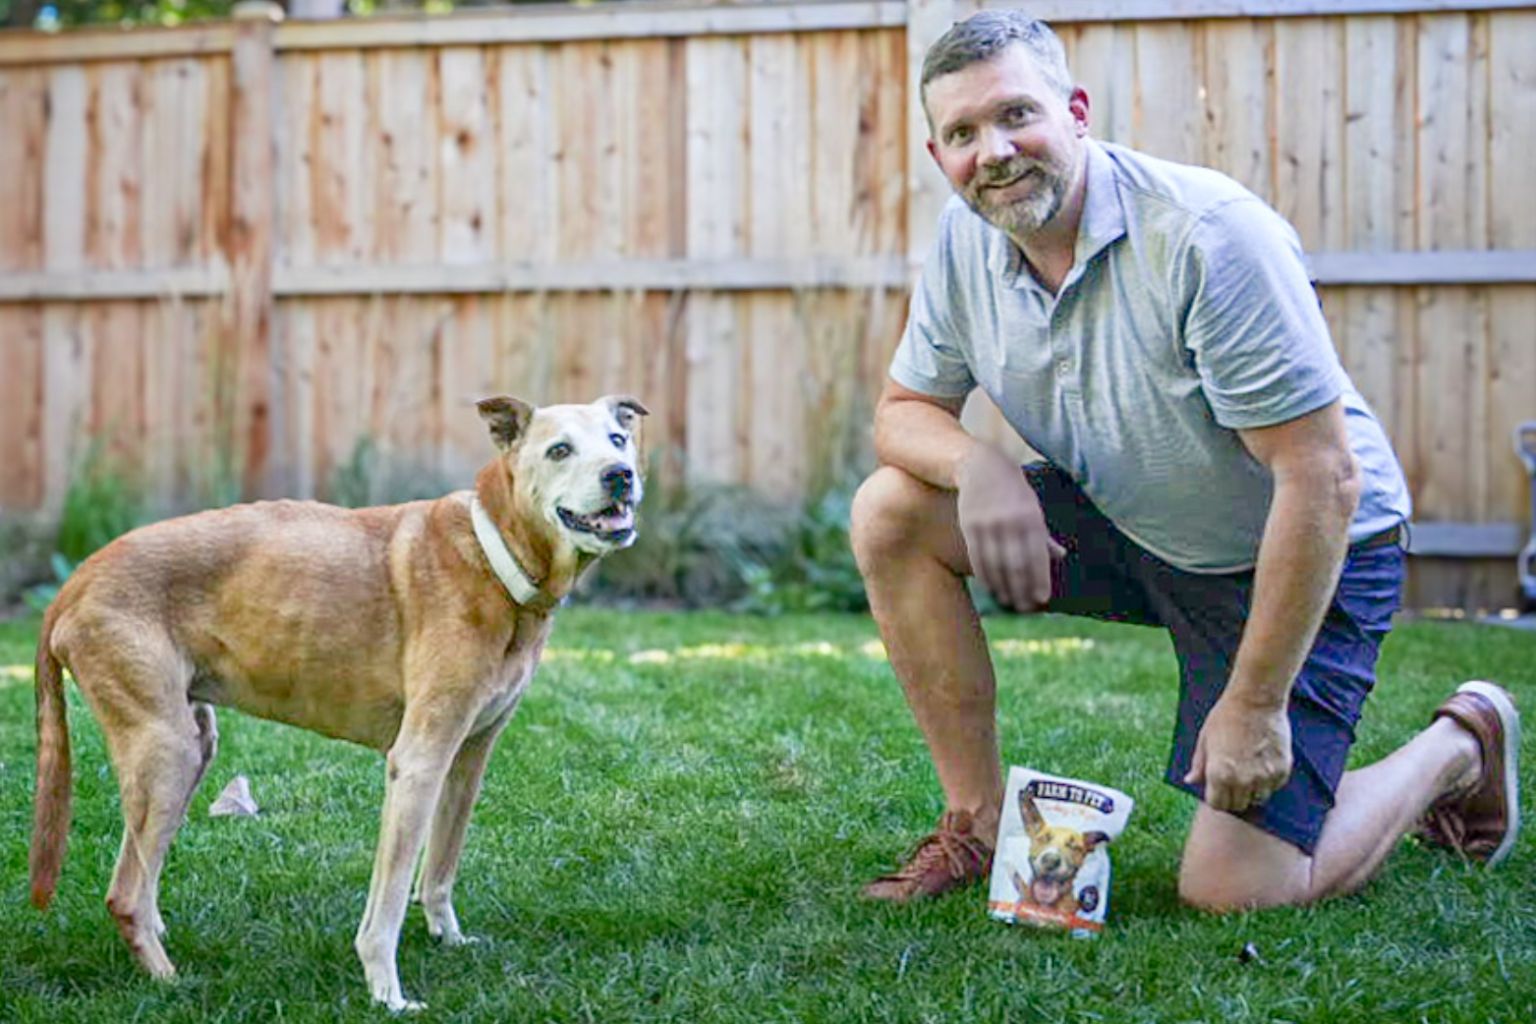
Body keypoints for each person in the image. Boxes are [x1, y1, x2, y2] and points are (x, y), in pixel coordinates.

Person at [850, 10, 1520, 910]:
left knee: (1234, 888)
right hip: (1138, 523)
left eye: (1018, 115)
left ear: (1077, 112)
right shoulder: (966, 241)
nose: (995, 151)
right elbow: (902, 415)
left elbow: (1320, 476)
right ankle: (973, 822)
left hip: (1301, 545)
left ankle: (1459, 745)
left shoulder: (1208, 237)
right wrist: (982, 467)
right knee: (892, 508)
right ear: (940, 157)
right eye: (963, 133)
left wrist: (1252, 705)